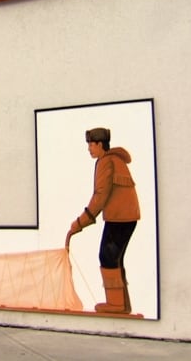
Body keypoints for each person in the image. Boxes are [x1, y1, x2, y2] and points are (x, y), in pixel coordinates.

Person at [67, 127, 140, 314]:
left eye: (91, 145)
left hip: (120, 217)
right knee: (115, 259)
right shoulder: (114, 159)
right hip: (126, 216)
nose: (89, 149)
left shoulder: (106, 162)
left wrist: (80, 223)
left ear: (100, 144)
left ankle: (115, 305)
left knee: (107, 257)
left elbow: (100, 196)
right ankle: (123, 305)